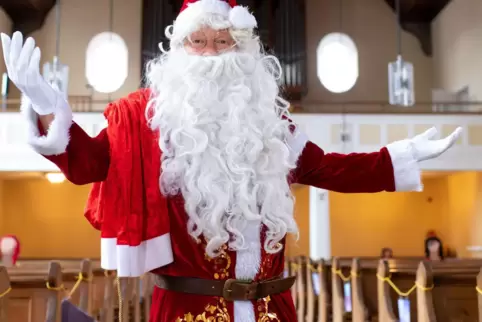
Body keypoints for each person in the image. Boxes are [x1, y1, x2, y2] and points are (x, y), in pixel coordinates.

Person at [1, 0, 461, 320]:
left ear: (243, 50)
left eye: (223, 42)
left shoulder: (269, 122)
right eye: (198, 42)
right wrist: (45, 103)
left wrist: (396, 158)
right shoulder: (148, 120)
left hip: (273, 311)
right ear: (178, 52)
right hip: (187, 312)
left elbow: (331, 168)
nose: (211, 54)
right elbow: (88, 163)